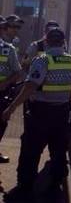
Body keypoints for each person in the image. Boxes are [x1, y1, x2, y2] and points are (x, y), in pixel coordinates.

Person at [2, 28, 71, 201]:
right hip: (61, 112)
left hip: (40, 112)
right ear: (63, 42)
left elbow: (30, 86)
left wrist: (11, 108)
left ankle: (26, 185)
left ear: (46, 41)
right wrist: (62, 94)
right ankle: (56, 182)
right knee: (59, 149)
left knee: (31, 149)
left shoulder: (43, 60)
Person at [0, 16, 22, 163]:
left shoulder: (8, 49)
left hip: (1, 92)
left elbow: (17, 73)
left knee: (1, 122)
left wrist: (5, 83)